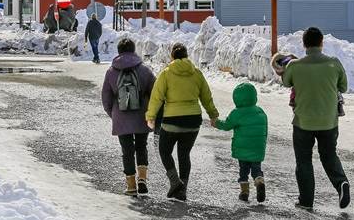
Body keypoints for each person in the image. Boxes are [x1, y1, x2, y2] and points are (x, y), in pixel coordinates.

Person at [280, 27, 350, 211]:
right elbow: (344, 86)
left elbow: (286, 82)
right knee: (329, 155)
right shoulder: (334, 63)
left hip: (303, 122)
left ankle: (306, 201)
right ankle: (341, 183)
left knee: (303, 160)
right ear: (321, 43)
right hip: (329, 121)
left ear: (304, 44)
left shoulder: (295, 65)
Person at [145, 43, 219, 201]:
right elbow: (206, 96)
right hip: (193, 121)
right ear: (186, 56)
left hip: (172, 120)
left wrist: (150, 117)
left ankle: (175, 182)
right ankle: (182, 190)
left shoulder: (166, 73)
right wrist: (213, 115)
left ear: (172, 56)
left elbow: (156, 97)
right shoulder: (196, 73)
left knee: (164, 151)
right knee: (184, 154)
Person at [101, 38, 156, 196]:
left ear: (119, 52)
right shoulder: (144, 70)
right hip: (142, 115)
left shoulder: (111, 72)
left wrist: (113, 114)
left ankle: (131, 186)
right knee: (141, 146)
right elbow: (155, 93)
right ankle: (142, 179)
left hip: (121, 116)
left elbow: (106, 98)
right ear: (133, 50)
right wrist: (151, 112)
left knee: (127, 151)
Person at [214, 83, 268, 203]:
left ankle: (244, 192)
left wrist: (216, 123)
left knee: (243, 171)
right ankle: (259, 181)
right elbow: (265, 130)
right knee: (256, 169)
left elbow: (227, 125)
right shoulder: (260, 112)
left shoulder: (237, 113)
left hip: (243, 149)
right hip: (257, 148)